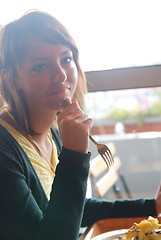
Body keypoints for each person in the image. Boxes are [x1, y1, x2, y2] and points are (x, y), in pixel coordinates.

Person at [0, 10, 161, 240]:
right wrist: (74, 156)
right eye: (40, 66)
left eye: (66, 59)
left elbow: (70, 209)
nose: (61, 75)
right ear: (10, 77)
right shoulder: (5, 146)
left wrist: (151, 206)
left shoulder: (51, 132)